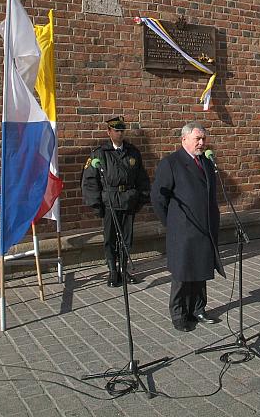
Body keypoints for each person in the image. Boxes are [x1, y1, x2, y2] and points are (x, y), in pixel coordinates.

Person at [151, 122, 225, 332]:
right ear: (184, 140)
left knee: (201, 269)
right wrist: (171, 222)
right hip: (183, 229)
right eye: (197, 139)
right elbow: (158, 197)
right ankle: (179, 314)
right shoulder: (171, 163)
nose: (201, 143)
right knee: (183, 274)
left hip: (204, 227)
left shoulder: (207, 162)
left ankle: (199, 309)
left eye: (203, 139)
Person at [81, 116, 150, 287]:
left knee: (126, 238)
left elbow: (142, 178)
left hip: (127, 200)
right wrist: (96, 205)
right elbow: (90, 181)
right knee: (110, 238)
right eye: (116, 130)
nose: (119, 134)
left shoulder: (133, 152)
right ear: (109, 132)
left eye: (122, 130)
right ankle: (112, 271)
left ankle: (123, 269)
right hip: (109, 202)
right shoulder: (99, 153)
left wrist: (140, 198)